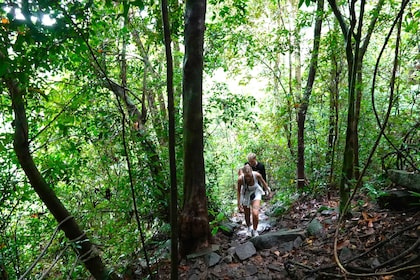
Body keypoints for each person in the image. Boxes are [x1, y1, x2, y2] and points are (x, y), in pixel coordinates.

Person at [237, 165, 271, 237]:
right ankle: (249, 228)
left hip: (256, 192)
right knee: (247, 213)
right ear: (243, 174)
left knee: (255, 213)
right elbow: (238, 191)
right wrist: (239, 203)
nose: (248, 178)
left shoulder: (257, 175)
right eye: (246, 176)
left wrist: (268, 191)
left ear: (251, 172)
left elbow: (264, 183)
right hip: (245, 194)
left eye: (249, 175)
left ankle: (255, 230)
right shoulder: (240, 179)